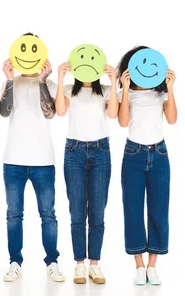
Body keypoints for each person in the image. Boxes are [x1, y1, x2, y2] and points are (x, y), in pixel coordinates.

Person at [0, 33, 65, 282]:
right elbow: (4, 112)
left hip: (43, 161)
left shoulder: (49, 84)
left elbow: (51, 113)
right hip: (13, 159)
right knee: (13, 214)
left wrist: (42, 80)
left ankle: (52, 262)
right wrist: (8, 80)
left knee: (48, 214)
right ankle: (15, 262)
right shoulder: (11, 82)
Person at [116, 46, 177, 285]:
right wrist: (126, 88)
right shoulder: (127, 94)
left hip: (159, 154)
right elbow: (122, 122)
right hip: (134, 154)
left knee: (159, 210)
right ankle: (139, 265)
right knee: (132, 209)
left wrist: (170, 89)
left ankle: (153, 265)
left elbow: (172, 119)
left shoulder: (160, 94)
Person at [55, 62, 119, 284]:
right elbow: (60, 112)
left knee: (98, 211)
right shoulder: (68, 90)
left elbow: (113, 114)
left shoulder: (106, 90)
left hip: (101, 151)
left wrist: (113, 79)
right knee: (77, 211)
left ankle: (95, 264)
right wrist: (61, 77)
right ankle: (79, 264)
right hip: (74, 151)